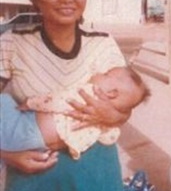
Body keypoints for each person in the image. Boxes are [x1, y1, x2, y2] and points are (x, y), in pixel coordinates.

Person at [0, 0, 133, 191]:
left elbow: (126, 104)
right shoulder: (12, 43)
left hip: (96, 177)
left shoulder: (103, 44)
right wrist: (7, 155)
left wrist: (114, 115)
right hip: (34, 180)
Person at [1, 66, 150, 160]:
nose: (98, 72)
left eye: (105, 74)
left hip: (28, 128)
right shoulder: (107, 127)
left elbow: (55, 100)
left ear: (111, 93)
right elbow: (109, 138)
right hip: (41, 145)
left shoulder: (87, 92)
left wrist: (30, 103)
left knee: (5, 101)